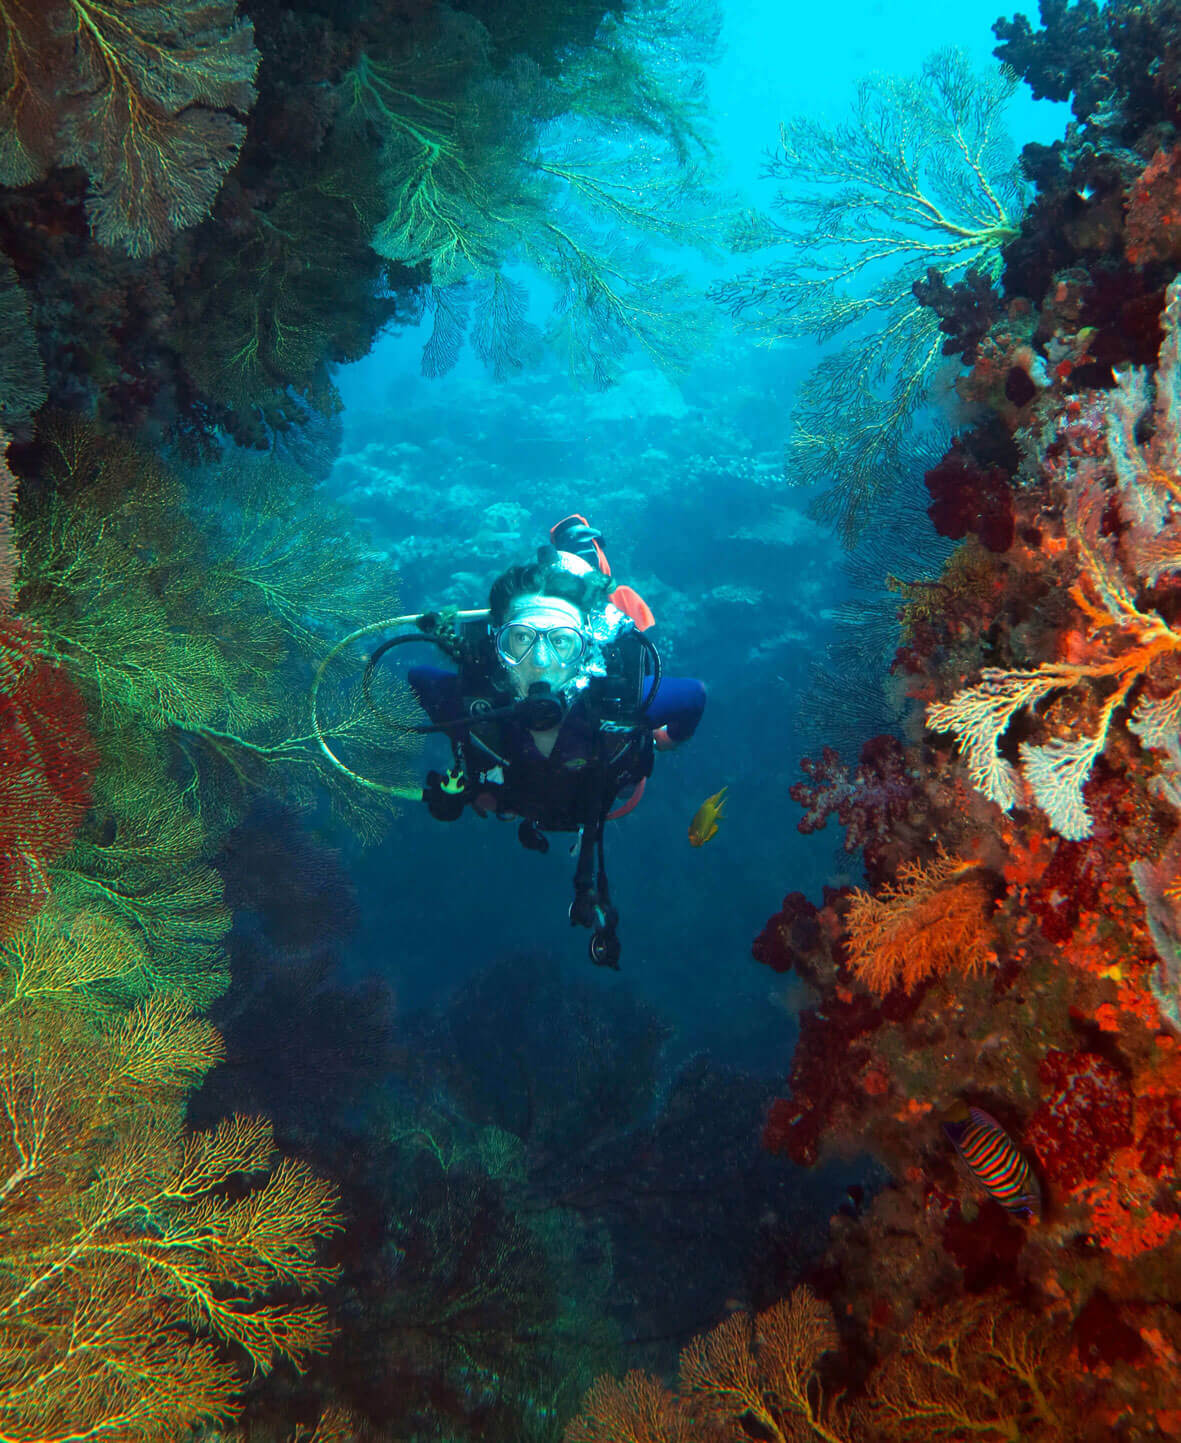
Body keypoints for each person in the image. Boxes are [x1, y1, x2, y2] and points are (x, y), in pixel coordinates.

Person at [407, 517, 705, 967]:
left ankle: (580, 549)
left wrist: (666, 740)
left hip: (587, 783)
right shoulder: (469, 703)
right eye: (521, 639)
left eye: (562, 642)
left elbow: (694, 696)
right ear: (498, 648)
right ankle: (573, 561)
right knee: (571, 586)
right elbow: (417, 679)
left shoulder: (623, 701)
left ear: (586, 649)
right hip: (545, 797)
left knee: (593, 585)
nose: (541, 662)